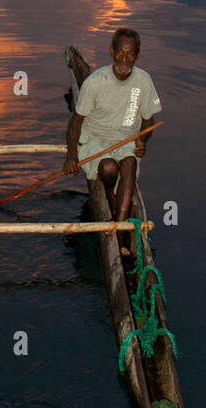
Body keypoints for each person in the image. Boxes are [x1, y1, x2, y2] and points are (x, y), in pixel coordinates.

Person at [63, 28, 161, 256]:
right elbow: (76, 121)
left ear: (137, 55)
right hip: (95, 140)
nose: (124, 59)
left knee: (129, 163)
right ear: (112, 52)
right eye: (120, 53)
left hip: (126, 140)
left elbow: (149, 120)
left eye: (130, 55)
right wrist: (71, 155)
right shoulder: (95, 82)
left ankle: (118, 229)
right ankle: (110, 194)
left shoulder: (144, 81)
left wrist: (142, 140)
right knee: (108, 168)